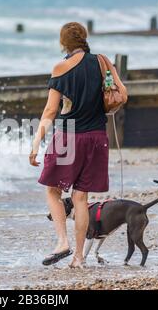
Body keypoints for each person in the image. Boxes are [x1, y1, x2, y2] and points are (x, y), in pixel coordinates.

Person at [29, 22, 111, 268]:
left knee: (53, 190)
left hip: (69, 135)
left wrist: (36, 143)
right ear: (84, 39)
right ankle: (78, 258)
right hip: (97, 137)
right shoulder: (101, 62)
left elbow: (51, 110)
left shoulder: (61, 68)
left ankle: (62, 241)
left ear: (63, 43)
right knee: (81, 198)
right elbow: (117, 93)